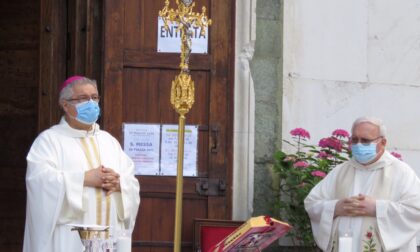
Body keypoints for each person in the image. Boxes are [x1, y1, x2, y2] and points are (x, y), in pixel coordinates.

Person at [23, 76, 140, 252]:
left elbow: (130, 181)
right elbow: (39, 183)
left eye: (95, 97)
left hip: (109, 238)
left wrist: (120, 184)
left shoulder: (109, 141)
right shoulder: (49, 141)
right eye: (83, 98)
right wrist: (83, 179)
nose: (91, 103)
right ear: (65, 104)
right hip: (69, 240)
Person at [305, 117, 420, 251]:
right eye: (354, 140)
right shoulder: (341, 170)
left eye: (365, 141)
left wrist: (377, 208)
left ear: (382, 142)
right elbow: (312, 203)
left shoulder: (401, 172)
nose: (358, 145)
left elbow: (415, 209)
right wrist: (335, 207)